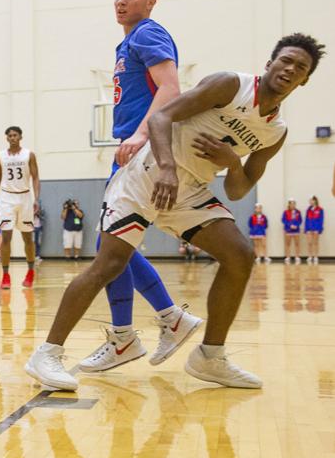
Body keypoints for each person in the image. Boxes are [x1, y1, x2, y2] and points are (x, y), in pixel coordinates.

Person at [25, 32, 325, 391]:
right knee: (110, 264)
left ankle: (210, 357)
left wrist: (231, 163)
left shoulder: (275, 132)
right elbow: (160, 118)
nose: (290, 69)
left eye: (300, 67)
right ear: (270, 63)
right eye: (286, 60)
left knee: (240, 255)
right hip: (148, 172)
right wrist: (167, 166)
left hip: (189, 189)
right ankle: (47, 353)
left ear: (305, 80)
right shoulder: (231, 85)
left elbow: (238, 188)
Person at [80, 0, 201, 374]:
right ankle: (166, 319)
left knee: (110, 244)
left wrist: (138, 134)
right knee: (116, 245)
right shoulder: (128, 41)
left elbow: (170, 89)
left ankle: (128, 335)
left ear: (150, 1)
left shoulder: (148, 33)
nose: (120, 2)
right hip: (135, 150)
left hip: (144, 149)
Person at [0, 125, 40, 289]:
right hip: (6, 199)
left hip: (25, 198)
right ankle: (6, 275)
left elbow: (35, 177)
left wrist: (36, 198)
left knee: (27, 238)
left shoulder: (28, 154)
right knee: (6, 237)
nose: (12, 138)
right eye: (9, 136)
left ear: (20, 137)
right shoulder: (0, 156)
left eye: (15, 135)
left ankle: (30, 271)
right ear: (6, 138)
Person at [305, 195, 324, 264]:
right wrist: (306, 229)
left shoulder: (320, 209)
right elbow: (306, 219)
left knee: (316, 243)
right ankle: (310, 256)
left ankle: (316, 256)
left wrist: (319, 229)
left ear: (315, 201)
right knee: (309, 242)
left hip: (316, 228)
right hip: (309, 228)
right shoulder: (308, 209)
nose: (311, 201)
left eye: (312, 200)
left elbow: (321, 220)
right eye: (310, 200)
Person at [282, 198, 302, 263]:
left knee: (297, 243)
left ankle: (297, 256)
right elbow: (283, 220)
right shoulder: (285, 212)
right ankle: (288, 256)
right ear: (289, 204)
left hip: (296, 230)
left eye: (294, 204)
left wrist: (296, 225)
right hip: (288, 230)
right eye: (291, 204)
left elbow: (300, 220)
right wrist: (290, 225)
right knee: (288, 243)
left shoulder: (298, 212)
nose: (292, 205)